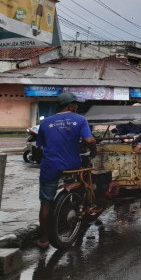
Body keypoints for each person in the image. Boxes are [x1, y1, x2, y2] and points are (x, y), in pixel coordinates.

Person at [36, 92, 96, 249]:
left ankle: (43, 239)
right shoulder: (80, 119)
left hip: (50, 166)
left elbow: (41, 145)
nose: (77, 107)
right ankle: (79, 207)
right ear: (70, 106)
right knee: (83, 182)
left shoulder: (45, 122)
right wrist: (93, 151)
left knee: (45, 203)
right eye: (75, 104)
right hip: (72, 165)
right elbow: (89, 140)